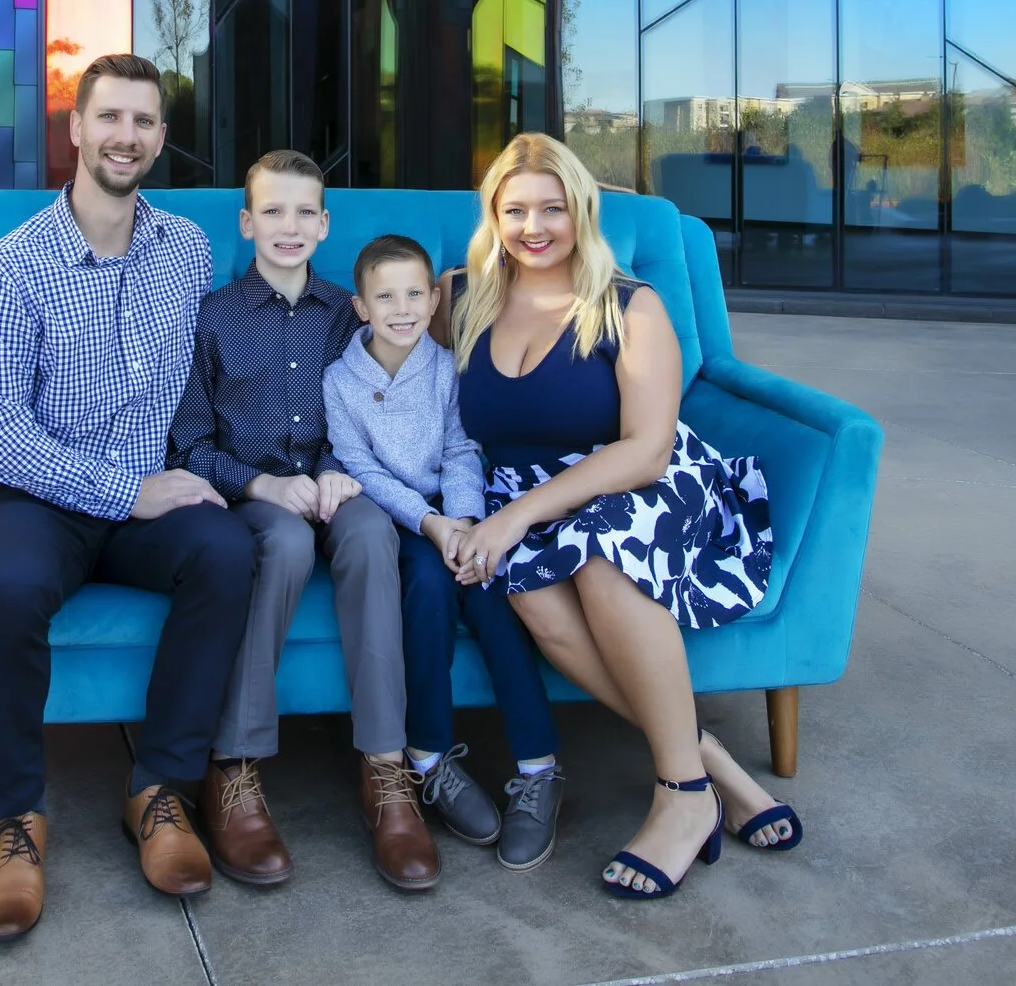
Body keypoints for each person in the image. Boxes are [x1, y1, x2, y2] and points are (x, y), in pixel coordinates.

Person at [0, 54, 257, 940]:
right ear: (76, 128)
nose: (127, 135)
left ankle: (158, 788)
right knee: (10, 588)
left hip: (145, 493)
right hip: (31, 497)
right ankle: (16, 819)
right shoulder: (9, 267)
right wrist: (128, 490)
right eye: (110, 117)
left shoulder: (185, 250)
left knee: (227, 549)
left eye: (144, 121)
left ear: (160, 139)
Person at [446, 133, 803, 900]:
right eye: (515, 210)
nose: (534, 226)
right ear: (493, 215)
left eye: (552, 208)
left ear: (582, 210)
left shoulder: (630, 305)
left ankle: (681, 794)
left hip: (640, 482)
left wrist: (514, 517)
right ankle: (714, 765)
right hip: (528, 498)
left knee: (604, 563)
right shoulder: (461, 296)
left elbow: (647, 448)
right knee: (531, 594)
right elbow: (381, 339)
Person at [168, 152, 440, 892]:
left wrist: (337, 471)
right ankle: (234, 764)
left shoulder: (350, 313)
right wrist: (260, 483)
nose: (288, 226)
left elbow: (383, 402)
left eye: (303, 212)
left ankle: (385, 767)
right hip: (253, 496)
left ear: (324, 224)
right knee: (285, 544)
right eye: (273, 211)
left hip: (336, 483)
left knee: (373, 533)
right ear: (247, 222)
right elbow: (188, 443)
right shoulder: (212, 317)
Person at [324, 233, 568, 872]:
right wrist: (431, 525)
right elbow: (360, 468)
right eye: (385, 298)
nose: (401, 309)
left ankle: (538, 765)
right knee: (428, 592)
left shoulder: (447, 367)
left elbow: (463, 450)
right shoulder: (340, 380)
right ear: (361, 307)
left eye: (414, 295)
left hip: (461, 514)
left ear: (434, 301)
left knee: (491, 593)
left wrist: (464, 522)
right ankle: (429, 757)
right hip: (401, 521)